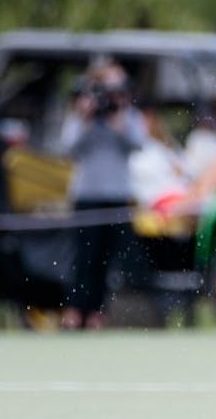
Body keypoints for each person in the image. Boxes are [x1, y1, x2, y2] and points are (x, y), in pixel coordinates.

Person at [57, 58, 148, 330]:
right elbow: (67, 146)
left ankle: (98, 313)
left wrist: (118, 118)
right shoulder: (82, 114)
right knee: (83, 257)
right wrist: (85, 117)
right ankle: (74, 311)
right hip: (87, 194)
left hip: (117, 194)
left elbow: (139, 143)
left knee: (109, 259)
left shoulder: (127, 114)